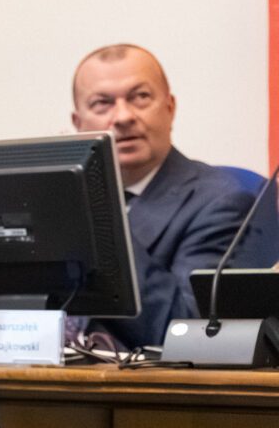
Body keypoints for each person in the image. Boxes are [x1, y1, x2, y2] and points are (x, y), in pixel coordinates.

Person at [69, 43, 276, 349]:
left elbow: (188, 330)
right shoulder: (62, 207)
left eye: (140, 97)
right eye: (102, 103)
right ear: (78, 123)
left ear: (170, 107)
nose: (123, 116)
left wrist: (101, 215)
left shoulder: (224, 200)